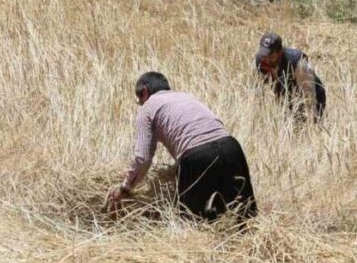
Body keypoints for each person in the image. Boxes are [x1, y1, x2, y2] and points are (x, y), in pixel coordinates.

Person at [107, 72, 257, 222]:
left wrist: (125, 188)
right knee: (244, 217)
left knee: (195, 223)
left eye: (139, 99)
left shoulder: (147, 108)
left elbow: (143, 158)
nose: (140, 103)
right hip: (231, 148)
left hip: (197, 156)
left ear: (144, 91)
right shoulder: (187, 97)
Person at [254, 32, 326, 120]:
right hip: (287, 98)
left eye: (271, 56)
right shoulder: (262, 61)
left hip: (313, 96)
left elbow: (309, 95)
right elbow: (258, 89)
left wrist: (312, 120)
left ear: (279, 52)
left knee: (305, 122)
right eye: (264, 55)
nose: (267, 60)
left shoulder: (298, 64)